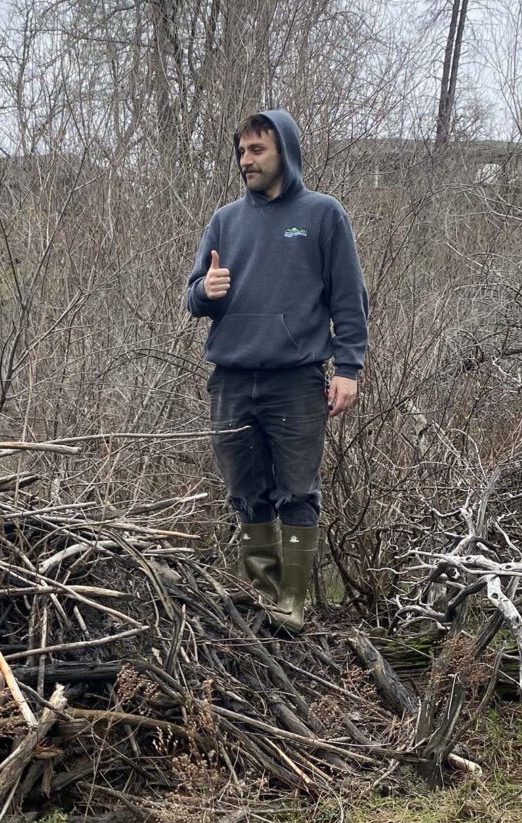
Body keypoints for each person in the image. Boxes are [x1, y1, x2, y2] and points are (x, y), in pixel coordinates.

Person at [184, 110, 368, 631]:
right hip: (232, 379)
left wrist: (348, 367)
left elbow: (350, 301)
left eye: (257, 150)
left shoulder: (322, 215)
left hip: (296, 379)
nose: (246, 160)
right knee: (245, 492)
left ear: (283, 151)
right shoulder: (224, 220)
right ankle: (263, 597)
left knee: (297, 491)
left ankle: (292, 603)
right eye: (241, 151)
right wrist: (205, 292)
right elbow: (193, 294)